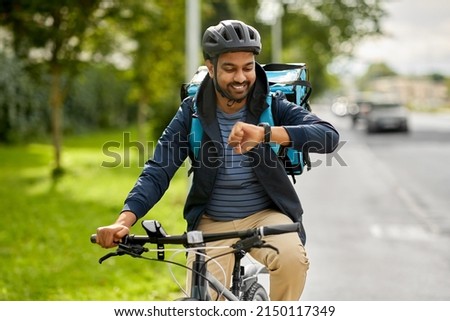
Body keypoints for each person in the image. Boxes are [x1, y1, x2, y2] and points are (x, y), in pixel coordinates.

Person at [95, 19, 340, 301]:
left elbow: (328, 137)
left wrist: (265, 134)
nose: (241, 77)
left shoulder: (272, 104)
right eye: (229, 68)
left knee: (292, 260)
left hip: (265, 214)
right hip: (211, 221)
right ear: (210, 68)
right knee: (203, 302)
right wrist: (124, 220)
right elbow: (158, 170)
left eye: (248, 67)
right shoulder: (191, 112)